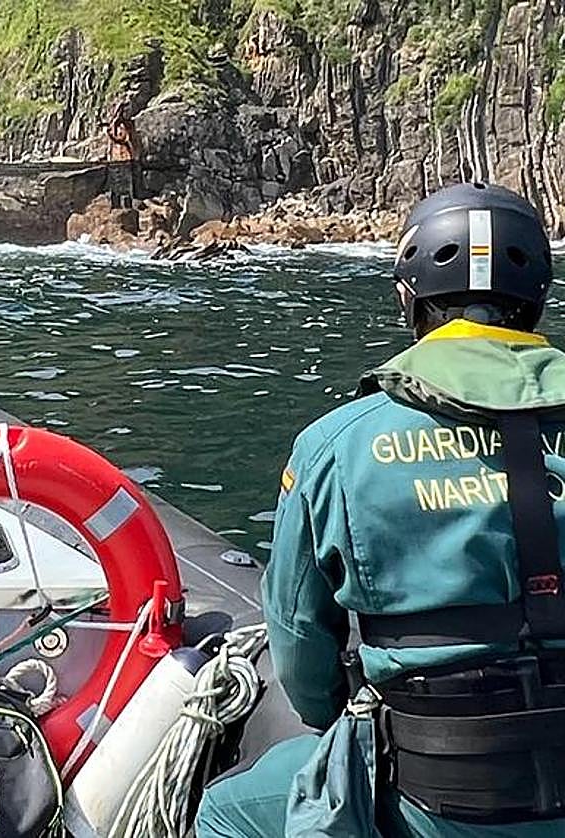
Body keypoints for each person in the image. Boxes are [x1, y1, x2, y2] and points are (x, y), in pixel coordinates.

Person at [196, 182, 565, 837]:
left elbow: (304, 662)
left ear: (410, 300)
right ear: (535, 297)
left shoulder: (334, 446)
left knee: (227, 811)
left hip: (435, 796)